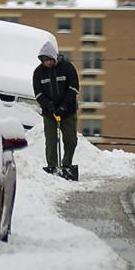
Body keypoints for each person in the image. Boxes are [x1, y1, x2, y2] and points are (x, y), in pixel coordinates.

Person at [33, 39, 80, 179]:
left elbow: (73, 88)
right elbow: (38, 94)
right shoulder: (38, 73)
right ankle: (52, 167)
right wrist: (50, 106)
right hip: (49, 113)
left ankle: (66, 165)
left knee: (70, 140)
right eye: (44, 60)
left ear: (55, 57)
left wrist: (64, 106)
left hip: (68, 111)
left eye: (49, 59)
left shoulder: (67, 67)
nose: (47, 63)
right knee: (51, 141)